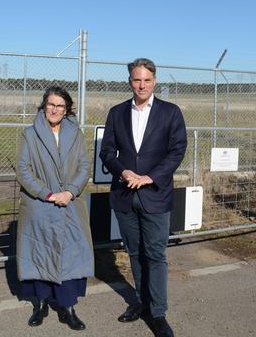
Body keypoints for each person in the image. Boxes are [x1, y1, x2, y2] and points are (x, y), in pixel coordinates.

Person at [100, 58, 187, 337]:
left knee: (155, 255)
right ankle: (141, 301)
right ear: (130, 81)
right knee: (135, 253)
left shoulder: (170, 112)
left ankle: (158, 313)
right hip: (125, 195)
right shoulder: (116, 113)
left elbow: (177, 150)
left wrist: (149, 177)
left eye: (147, 80)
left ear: (154, 81)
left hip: (154, 195)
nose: (141, 85)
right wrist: (122, 170)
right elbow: (107, 152)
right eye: (137, 80)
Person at [16, 86, 93, 331]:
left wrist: (70, 191)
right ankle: (40, 304)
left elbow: (84, 165)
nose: (55, 109)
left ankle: (68, 307)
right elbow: (24, 170)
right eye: (51, 104)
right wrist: (47, 194)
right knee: (39, 255)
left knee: (70, 255)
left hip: (70, 204)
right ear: (43, 105)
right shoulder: (29, 135)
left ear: (67, 109)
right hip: (40, 206)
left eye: (60, 105)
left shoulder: (76, 134)